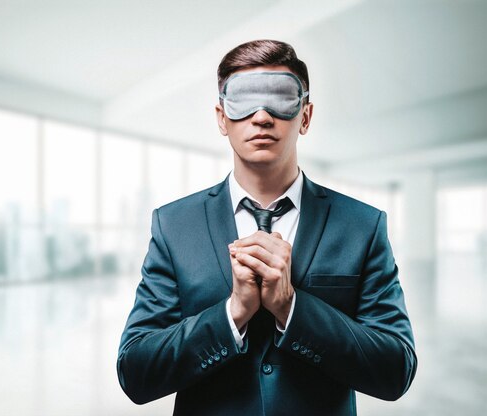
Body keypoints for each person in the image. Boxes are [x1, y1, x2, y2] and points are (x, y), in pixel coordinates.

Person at [117, 39, 417, 416]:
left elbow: (396, 370)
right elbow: (135, 372)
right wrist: (232, 314)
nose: (261, 116)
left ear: (305, 116)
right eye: (243, 101)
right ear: (222, 117)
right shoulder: (174, 225)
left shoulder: (363, 225)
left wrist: (292, 308)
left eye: (280, 98)